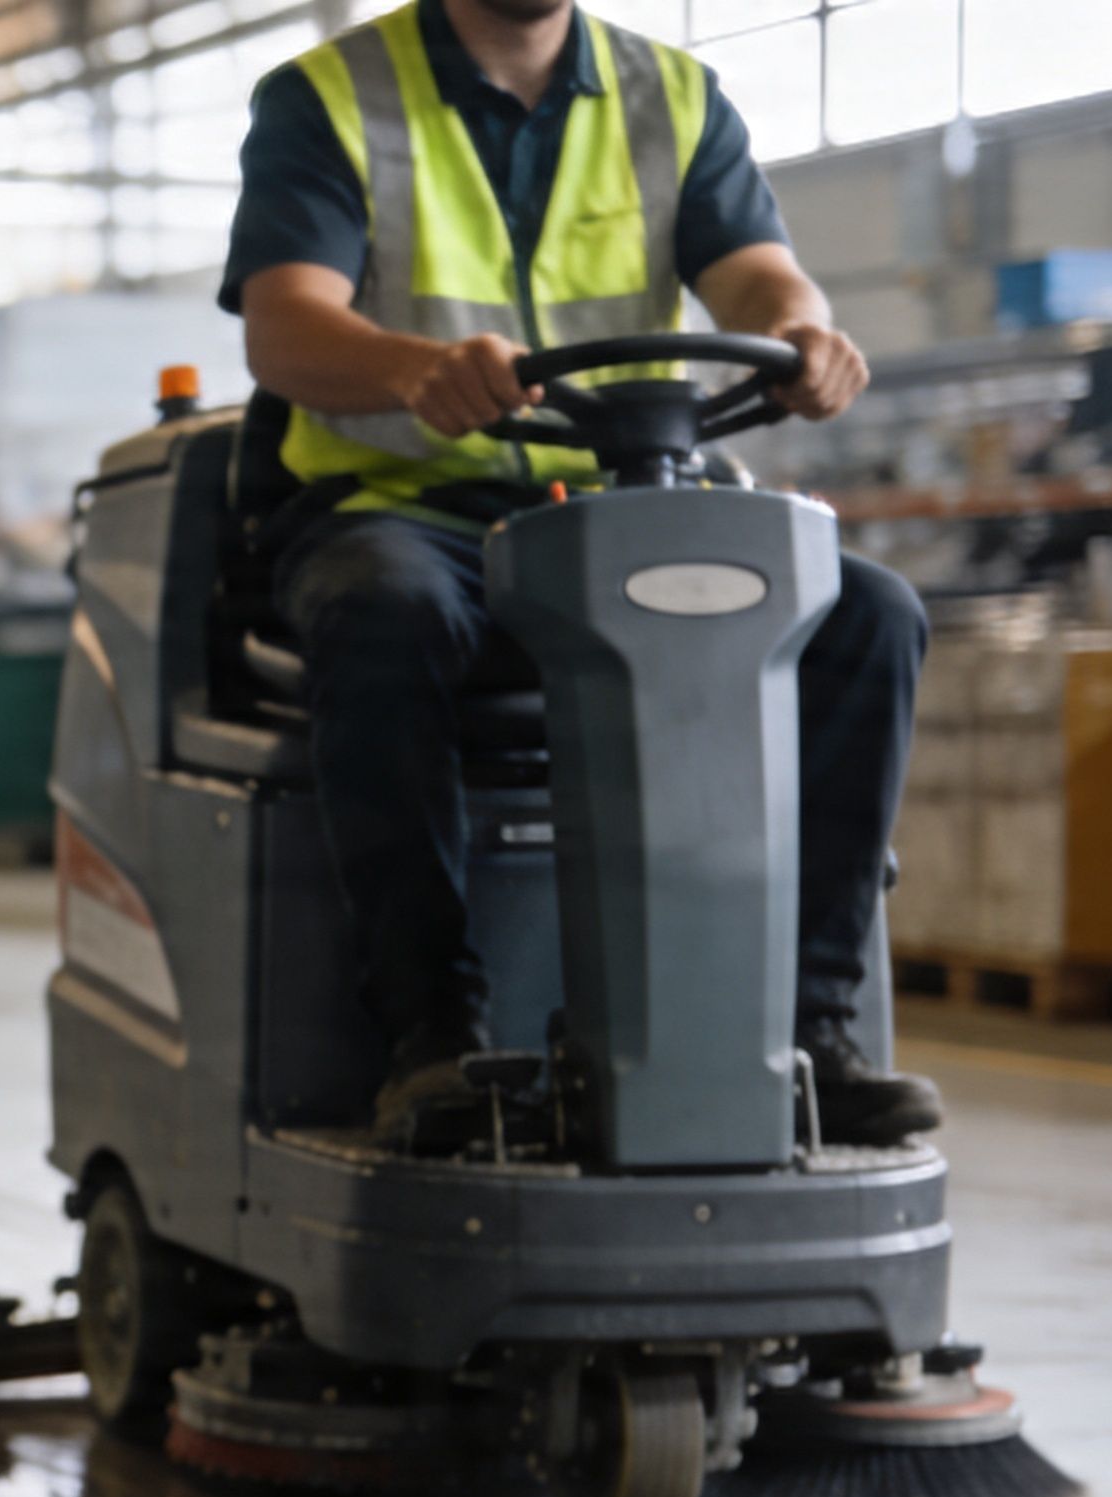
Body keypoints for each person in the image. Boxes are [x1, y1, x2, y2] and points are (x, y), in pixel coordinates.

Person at [226, 0, 940, 1152]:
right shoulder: (330, 98)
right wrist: (416, 370)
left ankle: (808, 1033)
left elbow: (759, 276)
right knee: (381, 610)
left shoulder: (673, 99)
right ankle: (429, 1033)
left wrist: (804, 332)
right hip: (407, 509)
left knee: (868, 614)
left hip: (626, 502)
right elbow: (286, 329)